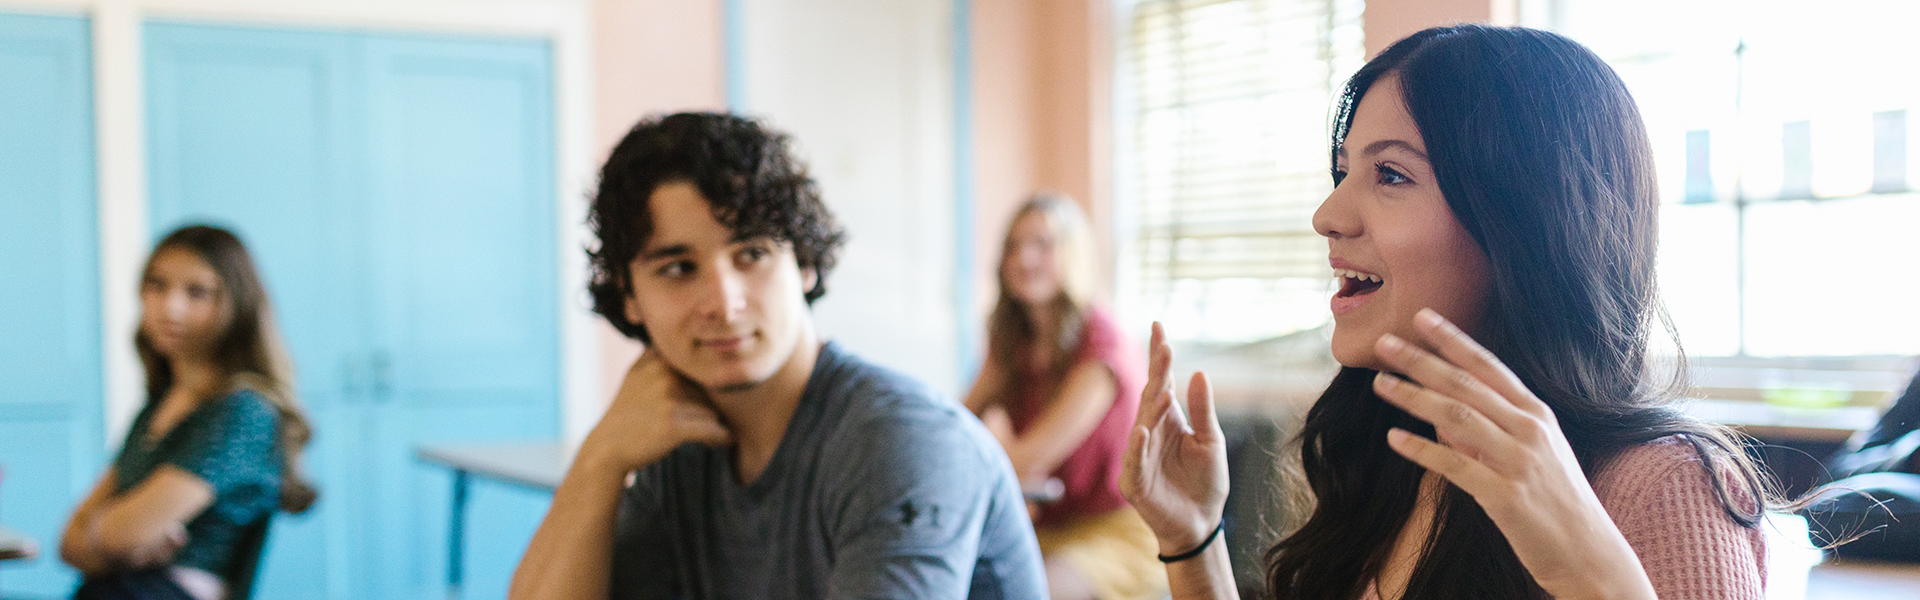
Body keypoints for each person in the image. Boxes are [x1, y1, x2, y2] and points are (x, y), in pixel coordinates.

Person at [1122, 25, 1775, 600]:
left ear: (1522, 221)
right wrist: (1193, 540)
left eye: (1391, 175)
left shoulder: (1665, 486)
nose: (1328, 217)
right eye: (1343, 172)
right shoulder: (1396, 457)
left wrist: (1593, 576)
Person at [508, 112, 1046, 600]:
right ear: (631, 297)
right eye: (677, 268)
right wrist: (601, 457)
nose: (723, 302)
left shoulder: (901, 439)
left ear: (804, 263)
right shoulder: (677, 443)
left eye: (752, 254)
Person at [61, 225, 319, 600]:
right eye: (156, 285)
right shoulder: (156, 408)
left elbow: (117, 535)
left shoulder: (242, 412)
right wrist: (116, 541)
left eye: (197, 292)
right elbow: (68, 545)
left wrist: (102, 533)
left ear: (237, 304)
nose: (170, 307)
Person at [964, 193, 1166, 600]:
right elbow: (958, 424)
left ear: (1072, 254)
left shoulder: (1099, 343)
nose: (1024, 258)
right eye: (1013, 246)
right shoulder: (1010, 340)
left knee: (1022, 590)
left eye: (1042, 244)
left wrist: (991, 456)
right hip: (1045, 529)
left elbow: (1030, 457)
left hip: (1118, 532)